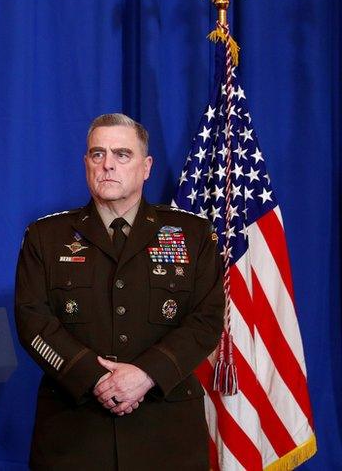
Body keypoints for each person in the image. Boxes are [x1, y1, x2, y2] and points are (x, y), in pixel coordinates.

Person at [14, 113, 223, 469]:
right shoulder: (46, 237)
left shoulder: (193, 235)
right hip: (75, 430)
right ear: (86, 164)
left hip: (165, 431)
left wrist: (145, 375)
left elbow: (206, 322)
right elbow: (32, 324)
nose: (108, 165)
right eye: (98, 154)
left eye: (122, 155)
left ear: (146, 167)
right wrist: (95, 379)